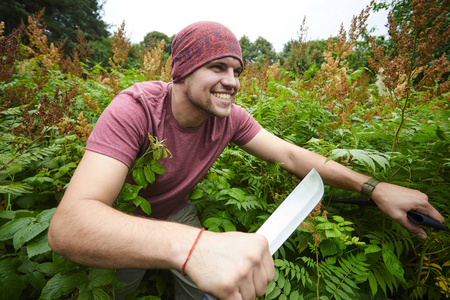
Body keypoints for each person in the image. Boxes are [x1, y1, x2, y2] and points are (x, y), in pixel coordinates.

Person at [48, 21, 444, 300]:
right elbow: (70, 226)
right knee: (123, 286)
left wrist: (373, 188)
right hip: (126, 213)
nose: (232, 81)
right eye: (217, 67)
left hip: (175, 209)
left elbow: (290, 154)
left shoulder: (230, 119)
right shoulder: (136, 109)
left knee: (206, 288)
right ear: (182, 71)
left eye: (237, 70)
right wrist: (194, 247)